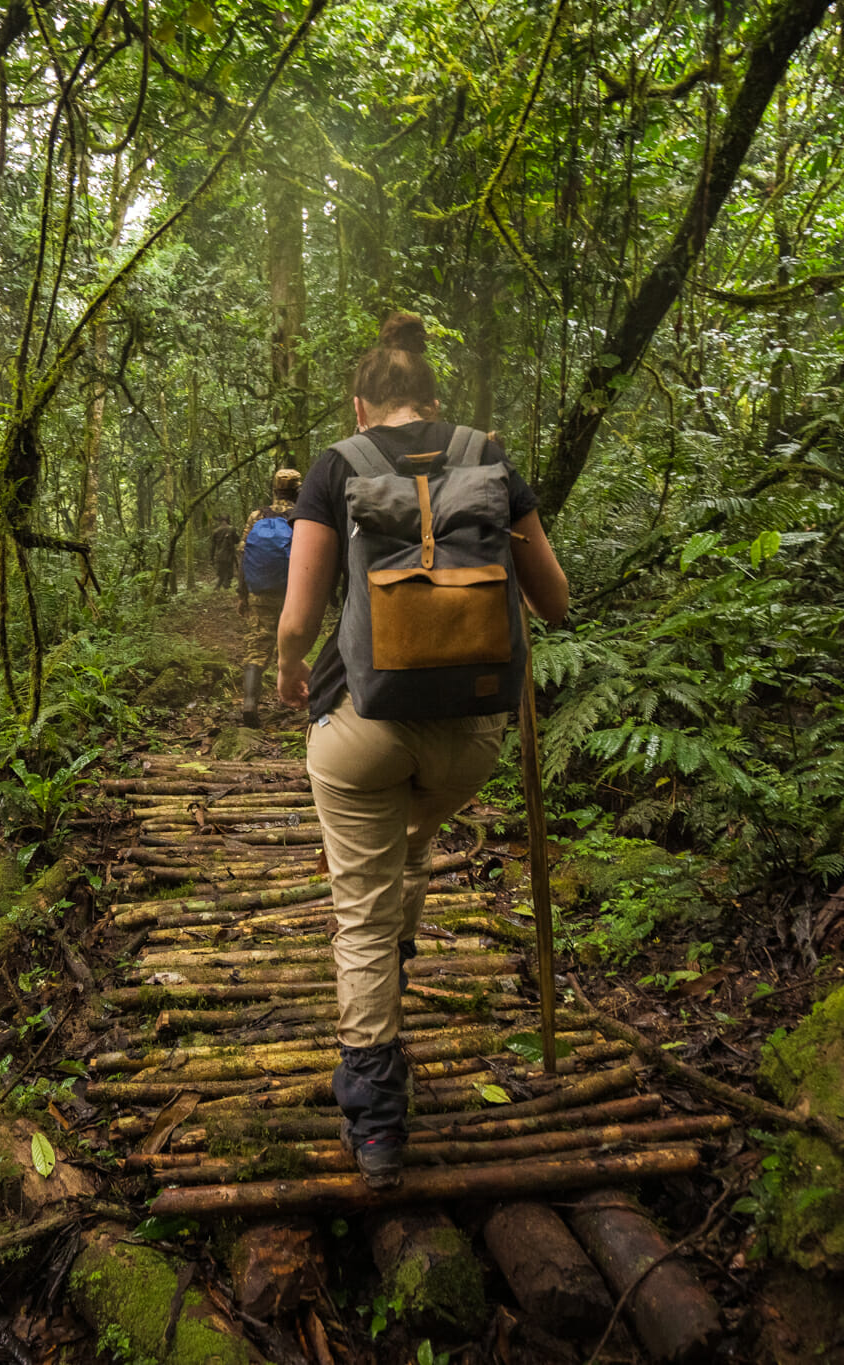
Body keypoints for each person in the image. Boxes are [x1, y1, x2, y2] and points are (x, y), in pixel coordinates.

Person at [274, 312, 569, 1188]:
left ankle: (375, 1119)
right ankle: (392, 961)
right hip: (471, 736)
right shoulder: (489, 456)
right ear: (433, 401)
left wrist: (290, 673)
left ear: (362, 405)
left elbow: (298, 618)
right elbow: (554, 601)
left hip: (362, 729)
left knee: (360, 903)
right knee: (407, 838)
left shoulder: (336, 465)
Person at [235, 468, 304, 727]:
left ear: (274, 490)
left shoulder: (257, 515)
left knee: (257, 645)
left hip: (260, 592)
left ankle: (250, 703)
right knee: (295, 644)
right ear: (298, 490)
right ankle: (300, 701)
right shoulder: (301, 516)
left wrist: (243, 594)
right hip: (293, 593)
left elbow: (243, 556)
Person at [208, 514, 238, 590]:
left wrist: (211, 559)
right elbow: (237, 540)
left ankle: (219, 588)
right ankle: (224, 587)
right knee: (228, 573)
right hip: (229, 555)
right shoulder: (232, 529)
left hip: (219, 555)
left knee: (221, 573)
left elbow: (212, 547)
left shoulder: (215, 531)